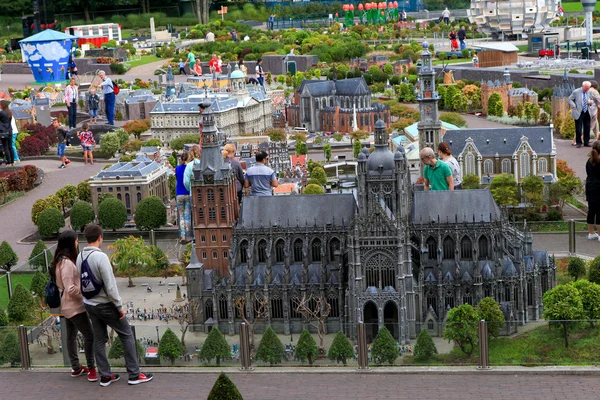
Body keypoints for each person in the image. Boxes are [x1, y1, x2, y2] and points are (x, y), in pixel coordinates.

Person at [78, 224, 153, 387]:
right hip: (105, 304)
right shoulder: (101, 257)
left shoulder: (80, 257)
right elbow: (111, 287)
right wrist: (120, 307)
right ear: (100, 238)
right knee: (126, 334)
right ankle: (134, 374)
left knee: (99, 339)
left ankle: (105, 376)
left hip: (89, 304)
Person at [51, 230, 97, 382]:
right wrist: (86, 292)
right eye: (77, 241)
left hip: (65, 306)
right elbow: (71, 288)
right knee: (89, 336)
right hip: (74, 307)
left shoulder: (59, 260)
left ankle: (76, 367)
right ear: (71, 243)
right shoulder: (67, 264)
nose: (78, 243)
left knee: (70, 336)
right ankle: (91, 368)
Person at [569, 81, 600, 148]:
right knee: (579, 128)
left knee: (587, 128)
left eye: (588, 88)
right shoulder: (576, 92)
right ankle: (579, 143)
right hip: (579, 112)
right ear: (583, 86)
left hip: (587, 111)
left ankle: (586, 142)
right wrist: (573, 105)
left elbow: (592, 100)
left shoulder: (589, 92)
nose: (587, 89)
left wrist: (590, 102)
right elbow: (570, 99)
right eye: (586, 88)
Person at [175, 151, 192, 244]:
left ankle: (182, 236)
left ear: (181, 159)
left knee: (181, 216)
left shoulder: (177, 168)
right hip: (187, 193)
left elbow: (177, 179)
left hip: (179, 194)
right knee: (187, 216)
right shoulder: (190, 168)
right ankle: (188, 237)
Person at [586, 141, 600, 240]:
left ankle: (591, 233)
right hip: (599, 188)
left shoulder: (589, 161)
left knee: (591, 210)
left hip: (590, 187)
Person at [0, 100, 15, 166]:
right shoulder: (9, 112)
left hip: (3, 131)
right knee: (10, 146)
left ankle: (8, 162)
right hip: (10, 130)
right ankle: (12, 161)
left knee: (5, 147)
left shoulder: (1, 113)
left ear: (2, 105)